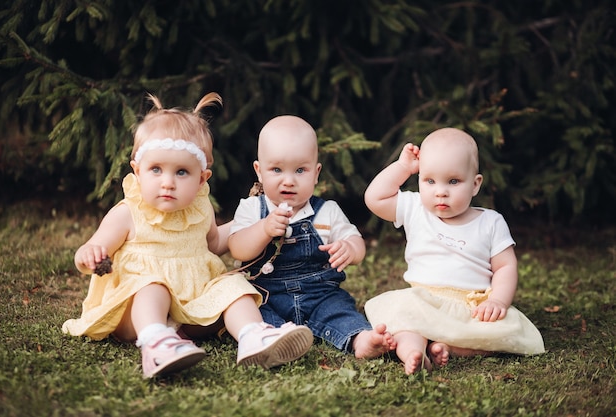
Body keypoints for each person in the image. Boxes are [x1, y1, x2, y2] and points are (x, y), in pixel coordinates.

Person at [63, 94, 313, 378]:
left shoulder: (199, 208)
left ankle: (252, 335)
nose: (167, 182)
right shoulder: (127, 213)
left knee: (233, 286)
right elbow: (95, 247)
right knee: (152, 286)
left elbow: (214, 243)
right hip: (134, 315)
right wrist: (88, 254)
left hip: (192, 309)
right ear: (137, 171)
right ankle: (157, 343)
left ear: (201, 179)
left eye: (181, 172)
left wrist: (252, 222)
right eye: (156, 170)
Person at [364, 127, 545, 375]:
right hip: (424, 301)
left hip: (471, 308)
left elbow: (505, 266)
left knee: (501, 332)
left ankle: (443, 344)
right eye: (429, 181)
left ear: (475, 184)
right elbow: (375, 198)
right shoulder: (416, 208)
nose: (441, 191)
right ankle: (414, 354)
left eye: (453, 181)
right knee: (406, 324)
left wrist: (497, 300)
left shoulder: (490, 222)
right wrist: (403, 167)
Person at [228, 115, 396, 359]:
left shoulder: (326, 211)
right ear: (259, 171)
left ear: (316, 173)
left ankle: (361, 339)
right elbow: (238, 249)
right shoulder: (252, 209)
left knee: (338, 310)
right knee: (251, 310)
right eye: (276, 169)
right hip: (267, 295)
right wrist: (263, 229)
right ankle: (269, 338)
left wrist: (350, 248)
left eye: (300, 170)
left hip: (319, 294)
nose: (289, 180)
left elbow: (356, 242)